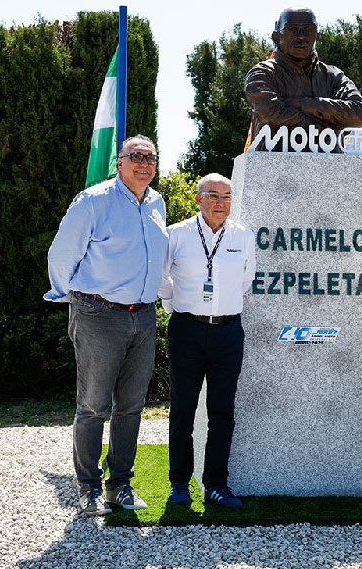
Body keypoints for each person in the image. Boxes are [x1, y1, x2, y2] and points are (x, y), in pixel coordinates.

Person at [45, 135, 168, 516]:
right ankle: (89, 489)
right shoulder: (93, 201)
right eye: (136, 156)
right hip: (99, 314)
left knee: (131, 406)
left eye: (150, 157)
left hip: (143, 315)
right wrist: (73, 299)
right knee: (93, 406)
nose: (144, 163)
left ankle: (120, 486)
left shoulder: (157, 203)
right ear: (120, 162)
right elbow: (61, 255)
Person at [158, 173, 256, 508]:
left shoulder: (243, 236)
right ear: (198, 199)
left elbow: (246, 280)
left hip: (228, 332)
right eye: (213, 196)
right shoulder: (177, 234)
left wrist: (222, 306)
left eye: (226, 197)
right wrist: (175, 304)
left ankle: (216, 485)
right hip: (187, 330)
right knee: (182, 410)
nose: (220, 203)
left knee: (222, 411)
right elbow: (162, 277)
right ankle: (179, 484)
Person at [244, 7, 362, 147]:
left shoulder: (333, 76)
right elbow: (271, 113)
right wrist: (323, 129)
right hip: (273, 158)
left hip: (329, 158)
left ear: (317, 36)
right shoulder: (262, 74)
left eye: (309, 30)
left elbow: (360, 114)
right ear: (276, 37)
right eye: (292, 29)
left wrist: (302, 104)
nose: (301, 36)